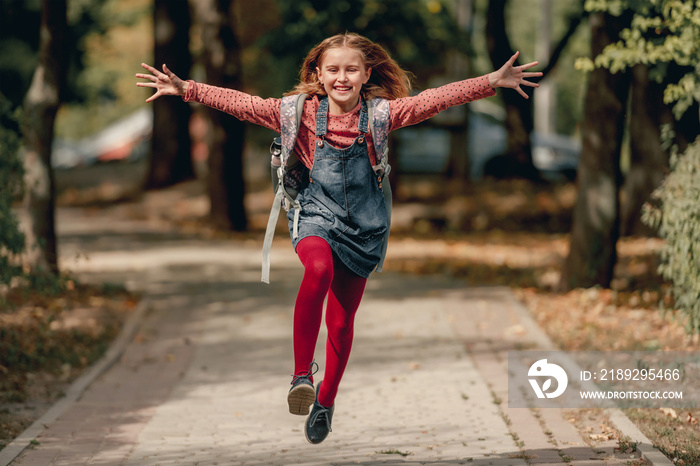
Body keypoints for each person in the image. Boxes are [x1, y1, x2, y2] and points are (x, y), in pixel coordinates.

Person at [136, 32, 541, 445]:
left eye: (351, 69)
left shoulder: (382, 115)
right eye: (333, 69)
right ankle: (300, 375)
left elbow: (435, 99)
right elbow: (243, 104)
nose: (341, 77)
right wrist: (187, 88)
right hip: (315, 214)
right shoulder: (299, 112)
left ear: (367, 74)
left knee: (343, 322)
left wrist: (490, 81)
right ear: (318, 73)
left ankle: (325, 401)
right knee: (318, 267)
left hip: (365, 227)